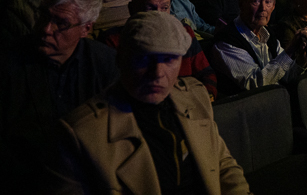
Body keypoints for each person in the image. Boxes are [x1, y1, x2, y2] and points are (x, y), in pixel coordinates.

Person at [47, 11, 250, 193]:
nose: (157, 73)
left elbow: (222, 163)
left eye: (169, 59)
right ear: (120, 59)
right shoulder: (81, 134)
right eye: (144, 59)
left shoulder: (194, 95)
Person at [0, 0, 119, 192]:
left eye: (61, 23)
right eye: (44, 16)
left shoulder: (106, 64)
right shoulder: (9, 62)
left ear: (86, 28)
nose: (46, 29)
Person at [211, 0, 307, 94]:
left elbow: (285, 76)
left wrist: (302, 59)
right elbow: (255, 84)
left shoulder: (268, 34)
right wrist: (289, 51)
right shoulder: (227, 41)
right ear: (241, 3)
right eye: (256, 1)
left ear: (274, 6)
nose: (263, 8)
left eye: (268, 1)